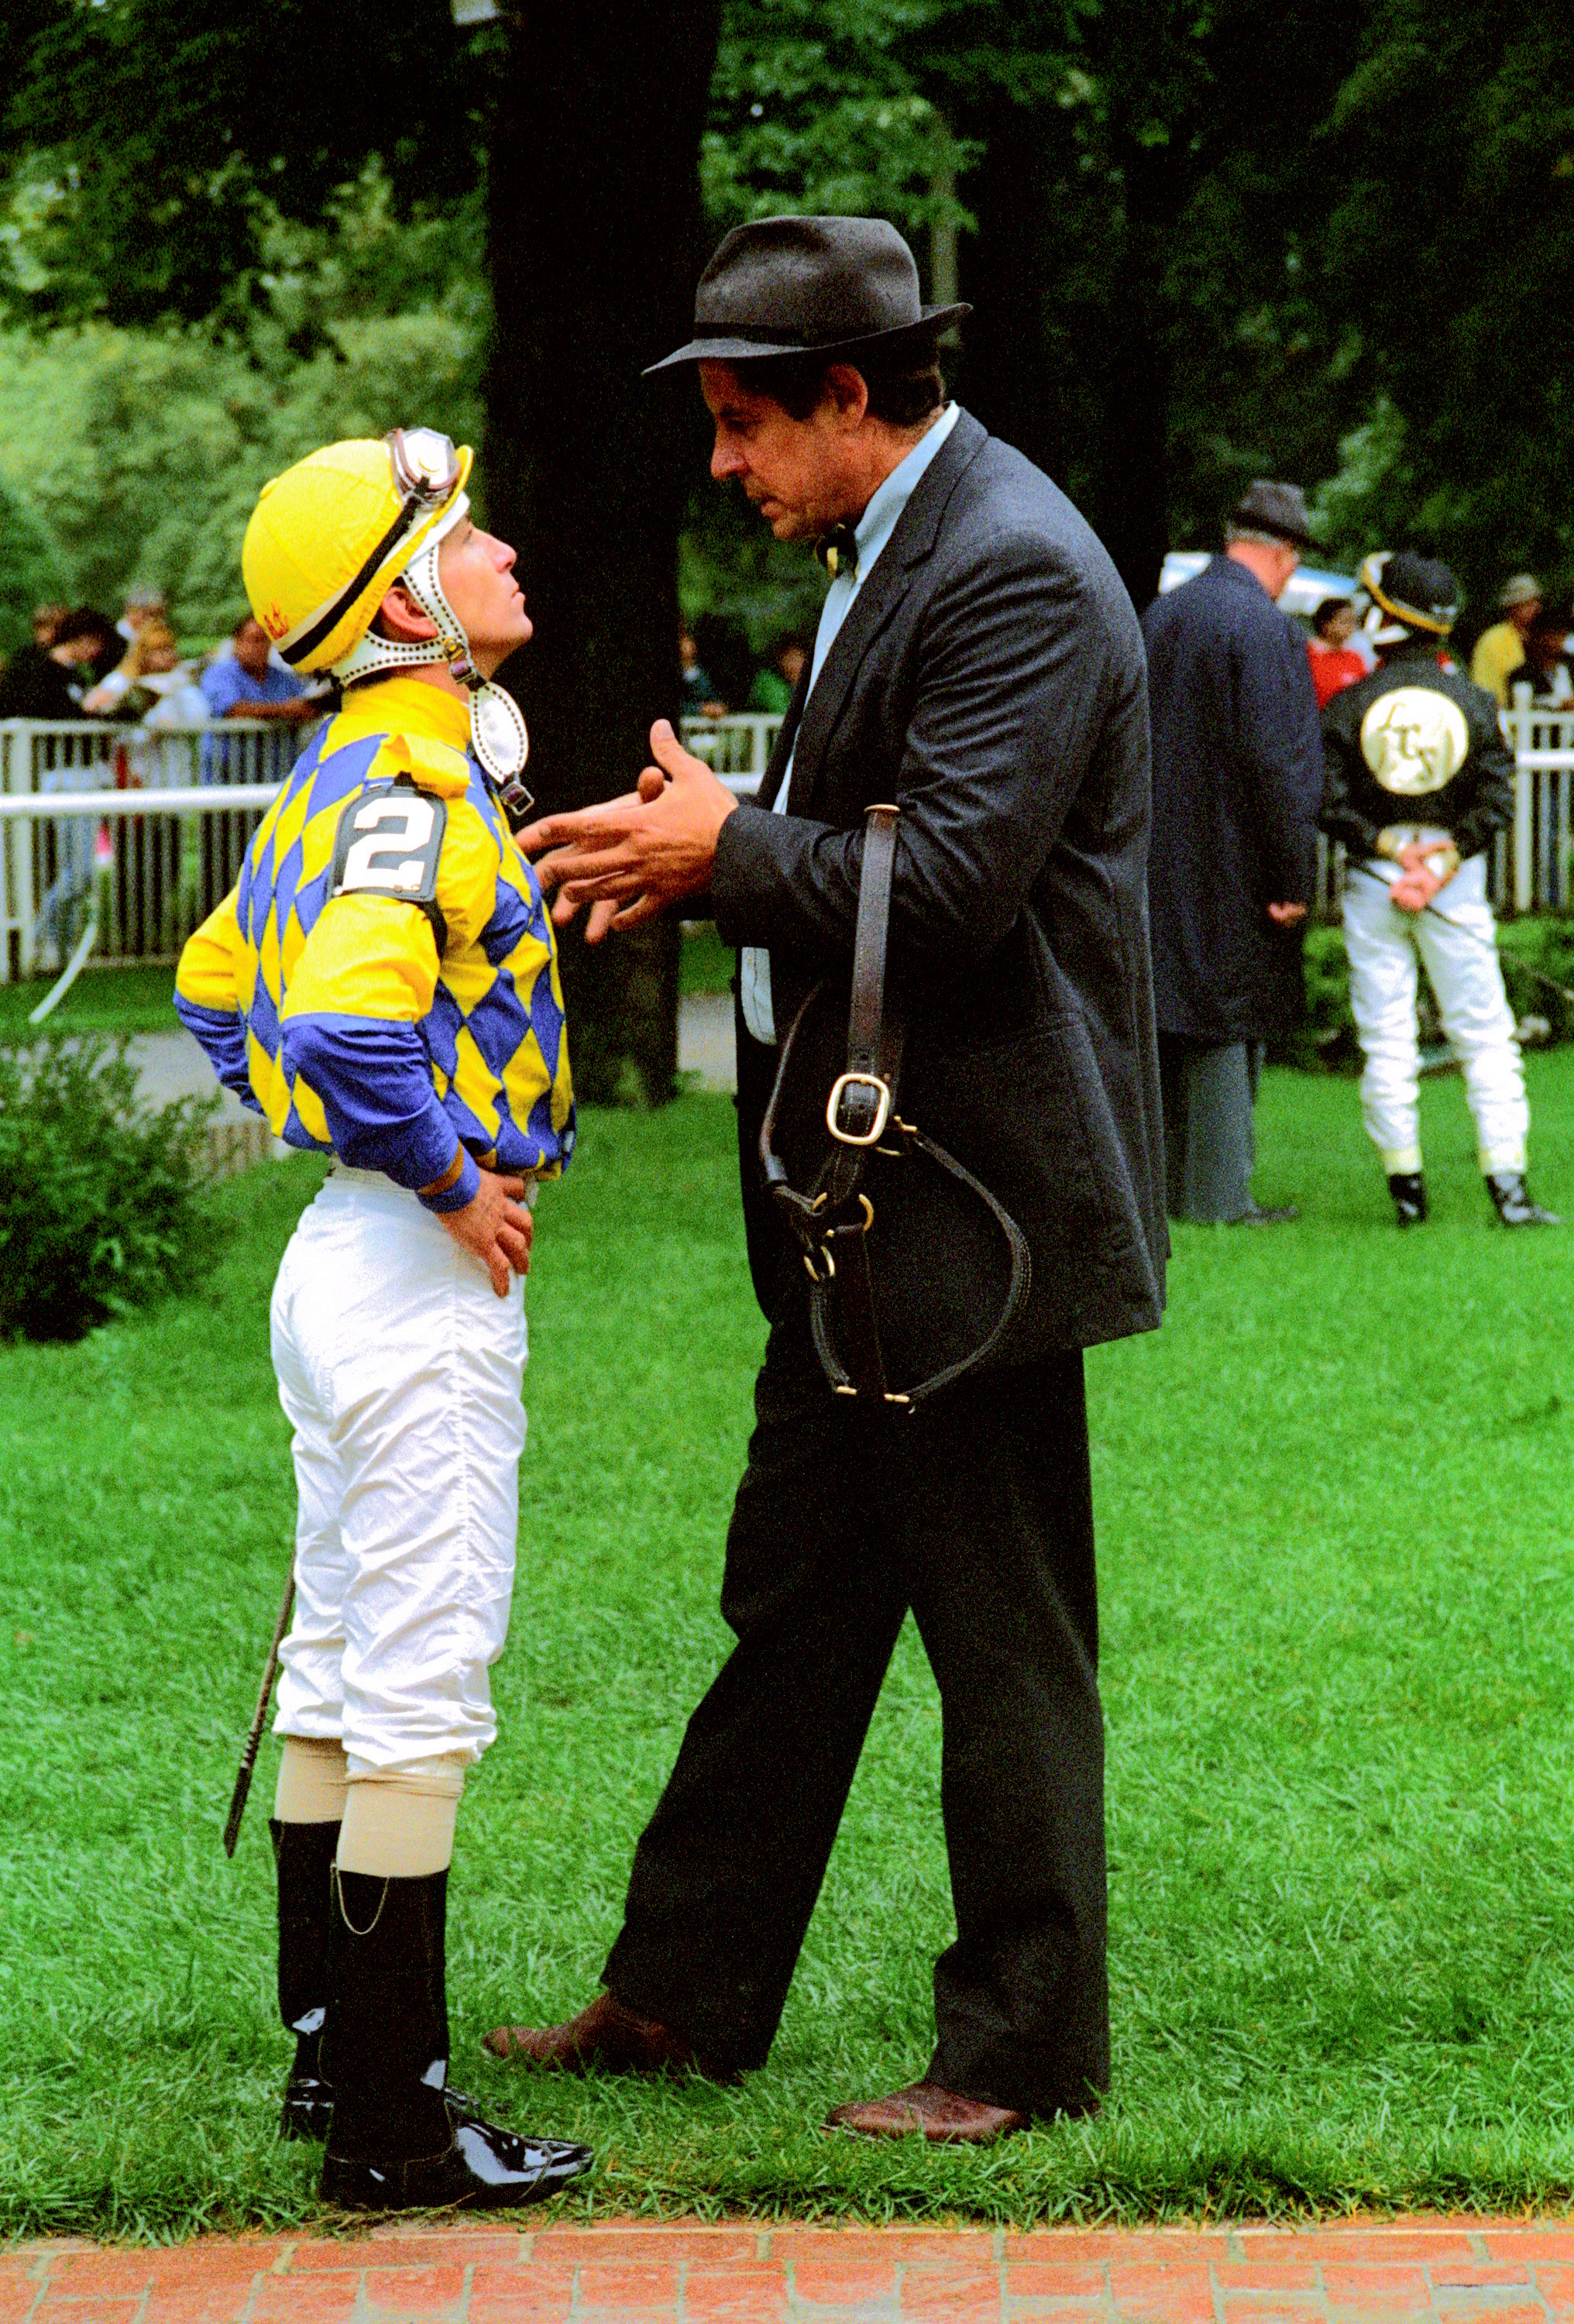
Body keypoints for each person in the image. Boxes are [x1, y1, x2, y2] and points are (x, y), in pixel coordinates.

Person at [482, 214, 1166, 2143]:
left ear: (849, 399)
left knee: (1005, 1631)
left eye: (740, 427)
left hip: (974, 1210)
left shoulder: (1014, 566)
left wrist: (724, 851)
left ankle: (1021, 2055)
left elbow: (952, 892)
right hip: (863, 1210)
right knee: (794, 1599)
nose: (720, 465)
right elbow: (845, 846)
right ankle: (685, 1994)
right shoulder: (911, 541)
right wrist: (692, 847)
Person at [174, 427, 592, 2210]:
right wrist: (442, 1173)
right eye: (466, 532)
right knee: (421, 1681)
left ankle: (331, 2055)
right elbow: (347, 1028)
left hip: (339, 1261)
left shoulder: (339, 771)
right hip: (413, 1270)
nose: (501, 552)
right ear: (410, 595)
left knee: (345, 1652)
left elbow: (214, 986)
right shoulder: (411, 776)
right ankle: (398, 2127)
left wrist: (349, 1151)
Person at [1321, 551, 1559, 1229]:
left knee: (1387, 1035)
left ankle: (1407, 1191)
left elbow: (1330, 802)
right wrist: (1442, 860)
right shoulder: (1474, 703)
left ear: (1387, 617)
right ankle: (1508, 1190)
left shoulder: (1349, 705)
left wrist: (1393, 850)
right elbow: (1496, 800)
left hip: (1375, 886)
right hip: (1453, 888)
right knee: (1485, 1033)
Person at [1143, 480, 1324, 1226]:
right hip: (1235, 860)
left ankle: (1166, 1192)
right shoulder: (1266, 629)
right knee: (1224, 1016)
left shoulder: (1163, 614)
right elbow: (1279, 764)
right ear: (1283, 555)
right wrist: (1291, 876)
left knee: (1169, 1014)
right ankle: (1220, 1197)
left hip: (1158, 852)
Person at [200, 611, 317, 782]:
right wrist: (285, 709)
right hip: (228, 778)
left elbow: (306, 707)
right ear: (237, 642)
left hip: (274, 776)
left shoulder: (282, 678)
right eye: (252, 640)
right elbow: (233, 709)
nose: (258, 647)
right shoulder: (219, 673)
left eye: (264, 641)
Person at [0, 605, 116, 720]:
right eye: (93, 643)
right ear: (76, 637)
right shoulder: (34, 667)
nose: (96, 651)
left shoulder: (76, 679)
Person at [1469, 575, 1541, 705]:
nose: (1535, 608)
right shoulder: (1494, 639)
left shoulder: (1536, 638)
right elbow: (1485, 687)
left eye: (1536, 602)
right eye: (1528, 603)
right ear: (1513, 606)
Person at [1503, 605, 1572, 706]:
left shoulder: (1570, 667)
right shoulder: (1522, 675)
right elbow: (1524, 705)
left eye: (1561, 635)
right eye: (1552, 636)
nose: (1557, 642)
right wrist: (1559, 704)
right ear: (1539, 638)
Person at [1307, 595, 1366, 709]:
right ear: (1326, 624)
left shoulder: (1354, 659)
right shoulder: (1305, 654)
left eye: (1353, 622)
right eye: (1344, 622)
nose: (1350, 627)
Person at [747, 631, 809, 713]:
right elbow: (785, 714)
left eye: (797, 658)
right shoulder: (768, 683)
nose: (793, 664)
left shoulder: (811, 682)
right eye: (789, 658)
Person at [679, 625, 727, 717]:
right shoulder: (676, 676)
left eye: (689, 642)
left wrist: (717, 707)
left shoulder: (702, 675)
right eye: (684, 643)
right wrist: (699, 709)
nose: (687, 647)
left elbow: (712, 697)